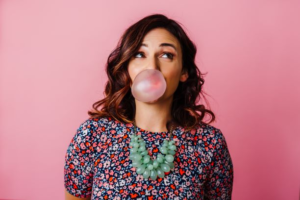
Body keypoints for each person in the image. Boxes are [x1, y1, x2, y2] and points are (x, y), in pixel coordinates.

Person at [64, 13, 234, 200]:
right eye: (139, 54)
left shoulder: (210, 144)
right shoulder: (93, 135)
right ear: (127, 68)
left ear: (184, 71)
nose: (151, 67)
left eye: (166, 55)